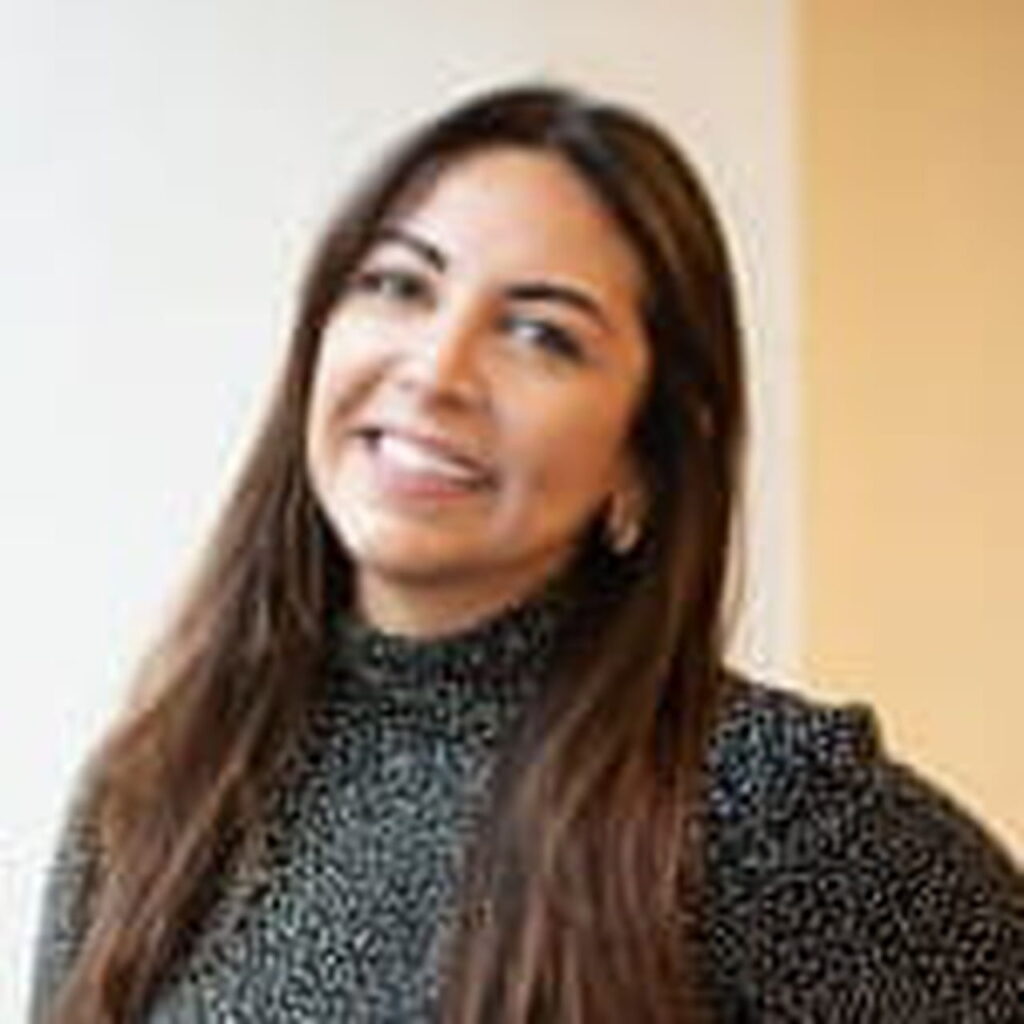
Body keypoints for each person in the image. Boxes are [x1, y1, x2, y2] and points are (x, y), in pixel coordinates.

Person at [30, 83, 1022, 1023]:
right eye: (399, 284)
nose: (436, 370)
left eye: (541, 334)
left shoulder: (764, 809)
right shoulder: (153, 791)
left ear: (645, 453)